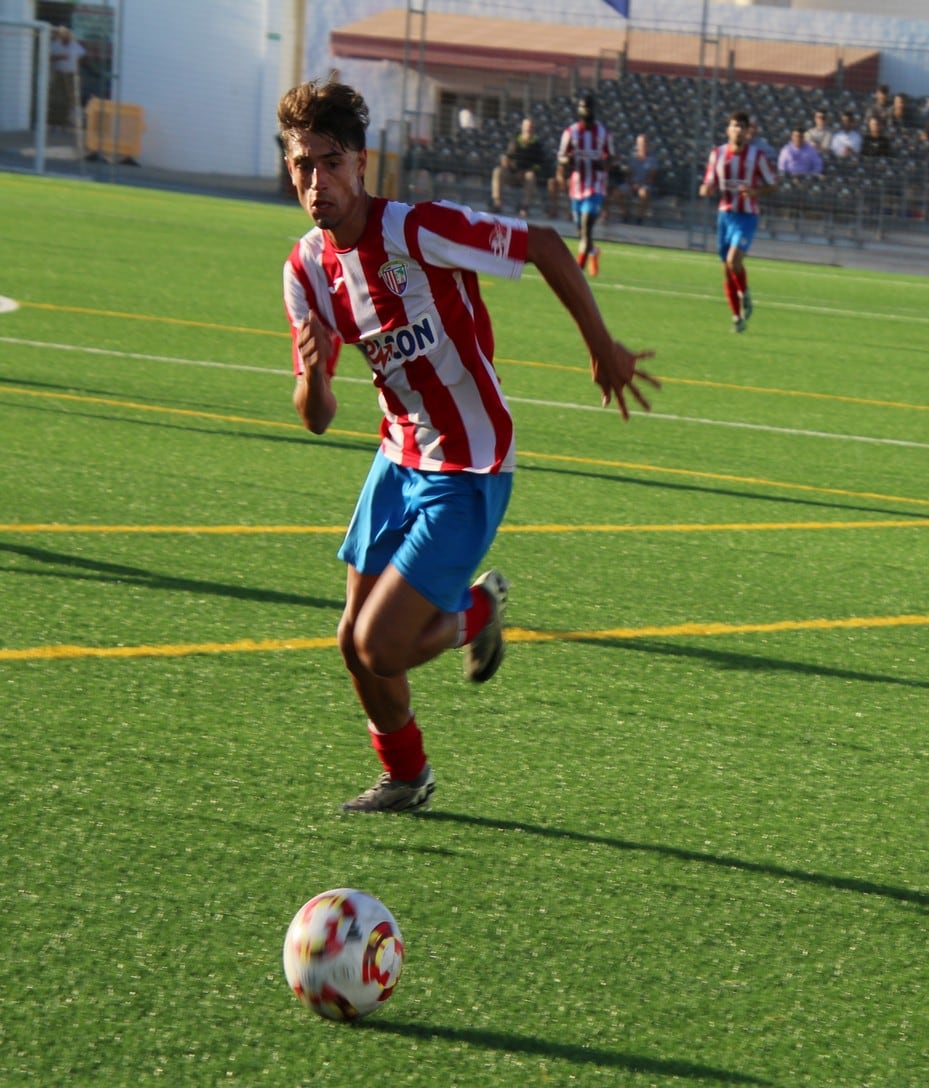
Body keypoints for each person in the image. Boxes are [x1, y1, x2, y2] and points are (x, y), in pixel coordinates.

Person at [276, 77, 658, 814]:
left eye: (329, 162)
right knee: (351, 642)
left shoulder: (416, 230)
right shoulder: (304, 273)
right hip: (397, 458)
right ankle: (406, 777)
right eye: (301, 166)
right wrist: (316, 373)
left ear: (360, 161)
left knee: (383, 645)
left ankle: (476, 613)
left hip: (470, 461)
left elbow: (544, 245)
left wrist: (602, 347)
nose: (315, 182)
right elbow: (316, 416)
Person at [700, 110, 777, 334]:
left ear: (748, 131)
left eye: (742, 126)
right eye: (735, 126)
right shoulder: (718, 154)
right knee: (726, 269)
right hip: (725, 215)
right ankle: (736, 317)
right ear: (728, 130)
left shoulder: (757, 157)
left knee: (734, 260)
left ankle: (745, 293)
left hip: (747, 216)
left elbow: (773, 184)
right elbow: (708, 181)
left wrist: (755, 192)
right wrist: (706, 188)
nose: (738, 130)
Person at [556, 93, 613, 276]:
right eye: (583, 107)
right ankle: (593, 252)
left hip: (596, 186)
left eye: (588, 108)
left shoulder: (603, 133)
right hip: (577, 187)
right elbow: (561, 158)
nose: (585, 111)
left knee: (587, 226)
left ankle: (576, 271)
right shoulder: (570, 133)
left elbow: (611, 157)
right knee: (581, 230)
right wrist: (566, 162)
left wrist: (604, 163)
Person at [491, 117, 543, 217]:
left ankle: (525, 206)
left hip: (525, 176)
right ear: (522, 128)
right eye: (527, 126)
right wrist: (505, 161)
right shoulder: (514, 141)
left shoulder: (537, 145)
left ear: (534, 129)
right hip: (512, 173)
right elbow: (507, 156)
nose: (528, 129)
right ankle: (497, 202)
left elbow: (538, 165)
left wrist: (524, 172)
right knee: (497, 171)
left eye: (531, 127)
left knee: (531, 176)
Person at [47, 26, 86, 132]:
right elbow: (48, 57)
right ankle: (54, 123)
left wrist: (77, 65)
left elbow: (83, 55)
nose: (66, 36)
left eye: (67, 34)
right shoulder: (55, 44)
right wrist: (60, 57)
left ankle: (67, 123)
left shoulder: (75, 45)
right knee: (56, 98)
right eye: (63, 34)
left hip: (70, 75)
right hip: (58, 74)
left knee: (70, 99)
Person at [621, 133, 657, 223]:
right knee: (616, 193)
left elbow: (651, 176)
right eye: (640, 143)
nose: (642, 145)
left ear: (647, 144)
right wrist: (630, 184)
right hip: (632, 183)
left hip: (645, 184)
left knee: (643, 193)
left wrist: (639, 185)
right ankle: (625, 213)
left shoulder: (652, 159)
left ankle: (639, 217)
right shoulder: (632, 158)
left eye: (644, 143)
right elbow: (629, 173)